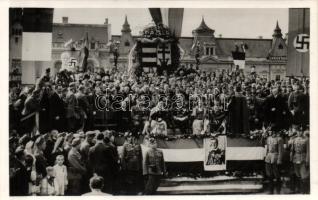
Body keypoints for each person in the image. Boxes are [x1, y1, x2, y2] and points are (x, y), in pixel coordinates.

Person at [290, 128, 309, 193]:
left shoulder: (306, 140)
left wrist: (307, 160)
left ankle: (304, 191)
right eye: (298, 131)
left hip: (303, 158)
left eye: (301, 131)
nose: (299, 133)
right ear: (297, 132)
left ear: (302, 132)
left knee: (304, 175)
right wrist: (291, 158)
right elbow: (292, 150)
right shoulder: (294, 140)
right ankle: (298, 189)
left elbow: (308, 151)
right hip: (295, 158)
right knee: (297, 174)